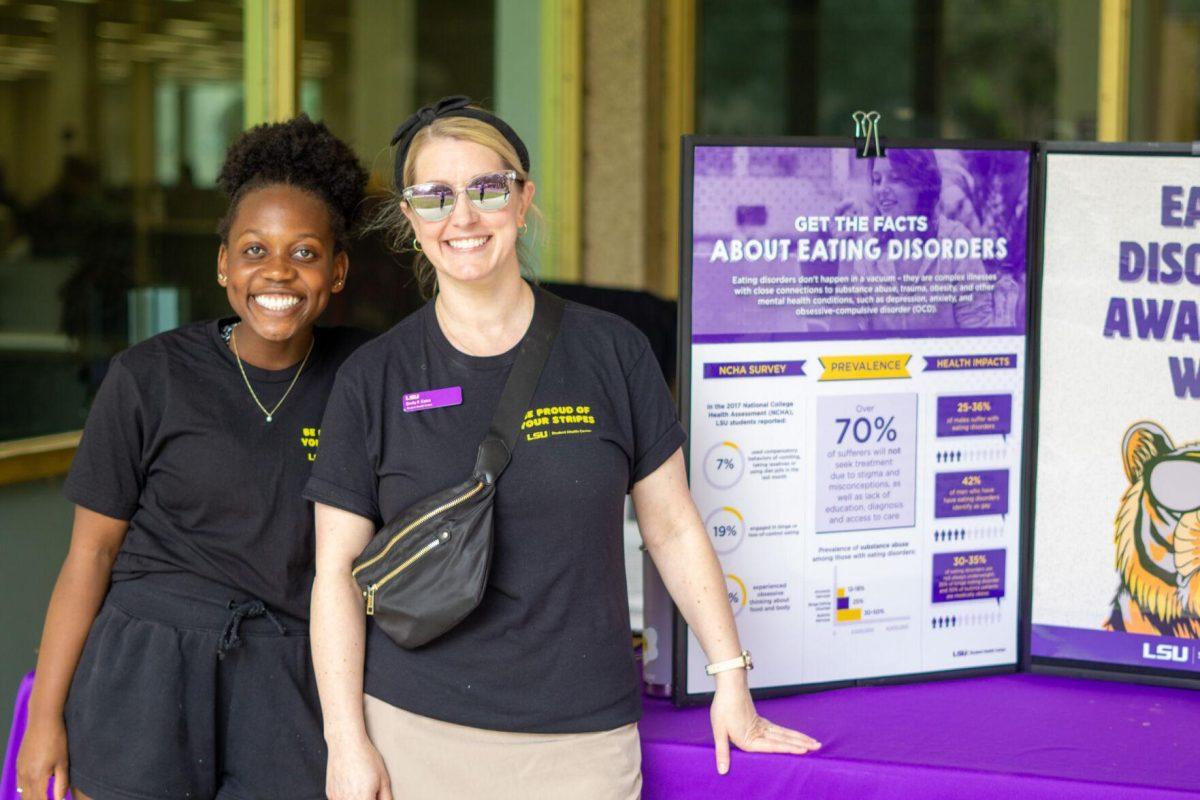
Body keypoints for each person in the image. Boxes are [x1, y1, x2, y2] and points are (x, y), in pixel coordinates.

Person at [306, 97, 820, 800]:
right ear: (409, 218)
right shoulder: (375, 378)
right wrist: (347, 742)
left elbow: (670, 526)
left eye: (488, 189)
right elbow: (336, 573)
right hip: (412, 732)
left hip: (582, 741)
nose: (463, 218)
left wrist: (731, 678)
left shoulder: (612, 351)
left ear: (524, 201)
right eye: (435, 197)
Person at [16, 115, 370, 800]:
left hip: (289, 683)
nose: (276, 272)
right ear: (222, 264)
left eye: (303, 253)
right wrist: (44, 717)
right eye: (253, 249)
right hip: (144, 673)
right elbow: (90, 555)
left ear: (337, 271)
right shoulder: (148, 376)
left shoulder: (366, 376)